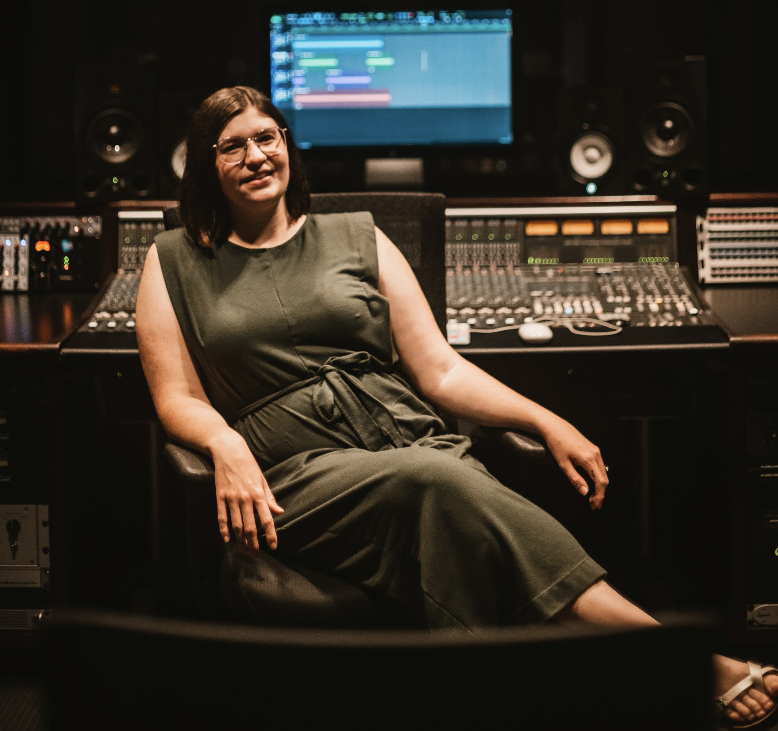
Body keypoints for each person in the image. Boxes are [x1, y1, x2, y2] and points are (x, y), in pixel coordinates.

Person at [136, 85, 776, 728]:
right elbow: (176, 397)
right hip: (290, 476)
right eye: (232, 146)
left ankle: (500, 692)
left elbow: (439, 369)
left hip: (403, 439)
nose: (255, 156)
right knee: (440, 479)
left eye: (266, 137)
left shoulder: (359, 238)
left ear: (288, 149)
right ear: (206, 167)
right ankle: (665, 657)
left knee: (447, 484)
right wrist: (224, 445)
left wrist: (544, 419)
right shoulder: (173, 261)